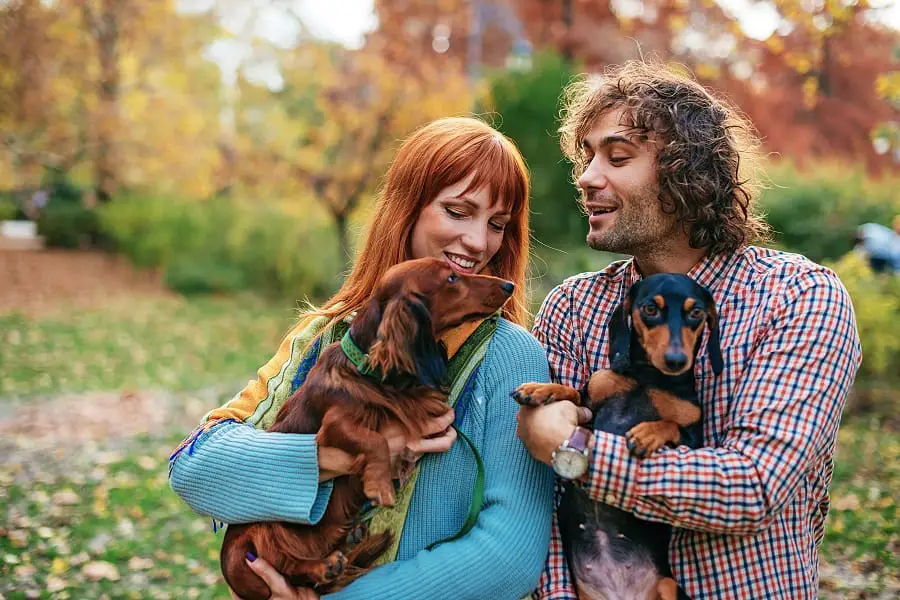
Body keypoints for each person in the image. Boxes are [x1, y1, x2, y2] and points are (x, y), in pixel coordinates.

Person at [515, 60, 862, 599]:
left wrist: (575, 451)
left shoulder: (798, 296)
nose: (586, 177)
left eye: (617, 156)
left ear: (685, 173)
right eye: (586, 156)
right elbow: (544, 506)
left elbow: (752, 486)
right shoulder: (572, 307)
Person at [168, 117, 554, 599]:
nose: (479, 242)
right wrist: (330, 458)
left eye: (497, 225)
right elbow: (195, 470)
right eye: (458, 212)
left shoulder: (510, 357)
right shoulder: (325, 336)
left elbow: (510, 553)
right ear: (407, 210)